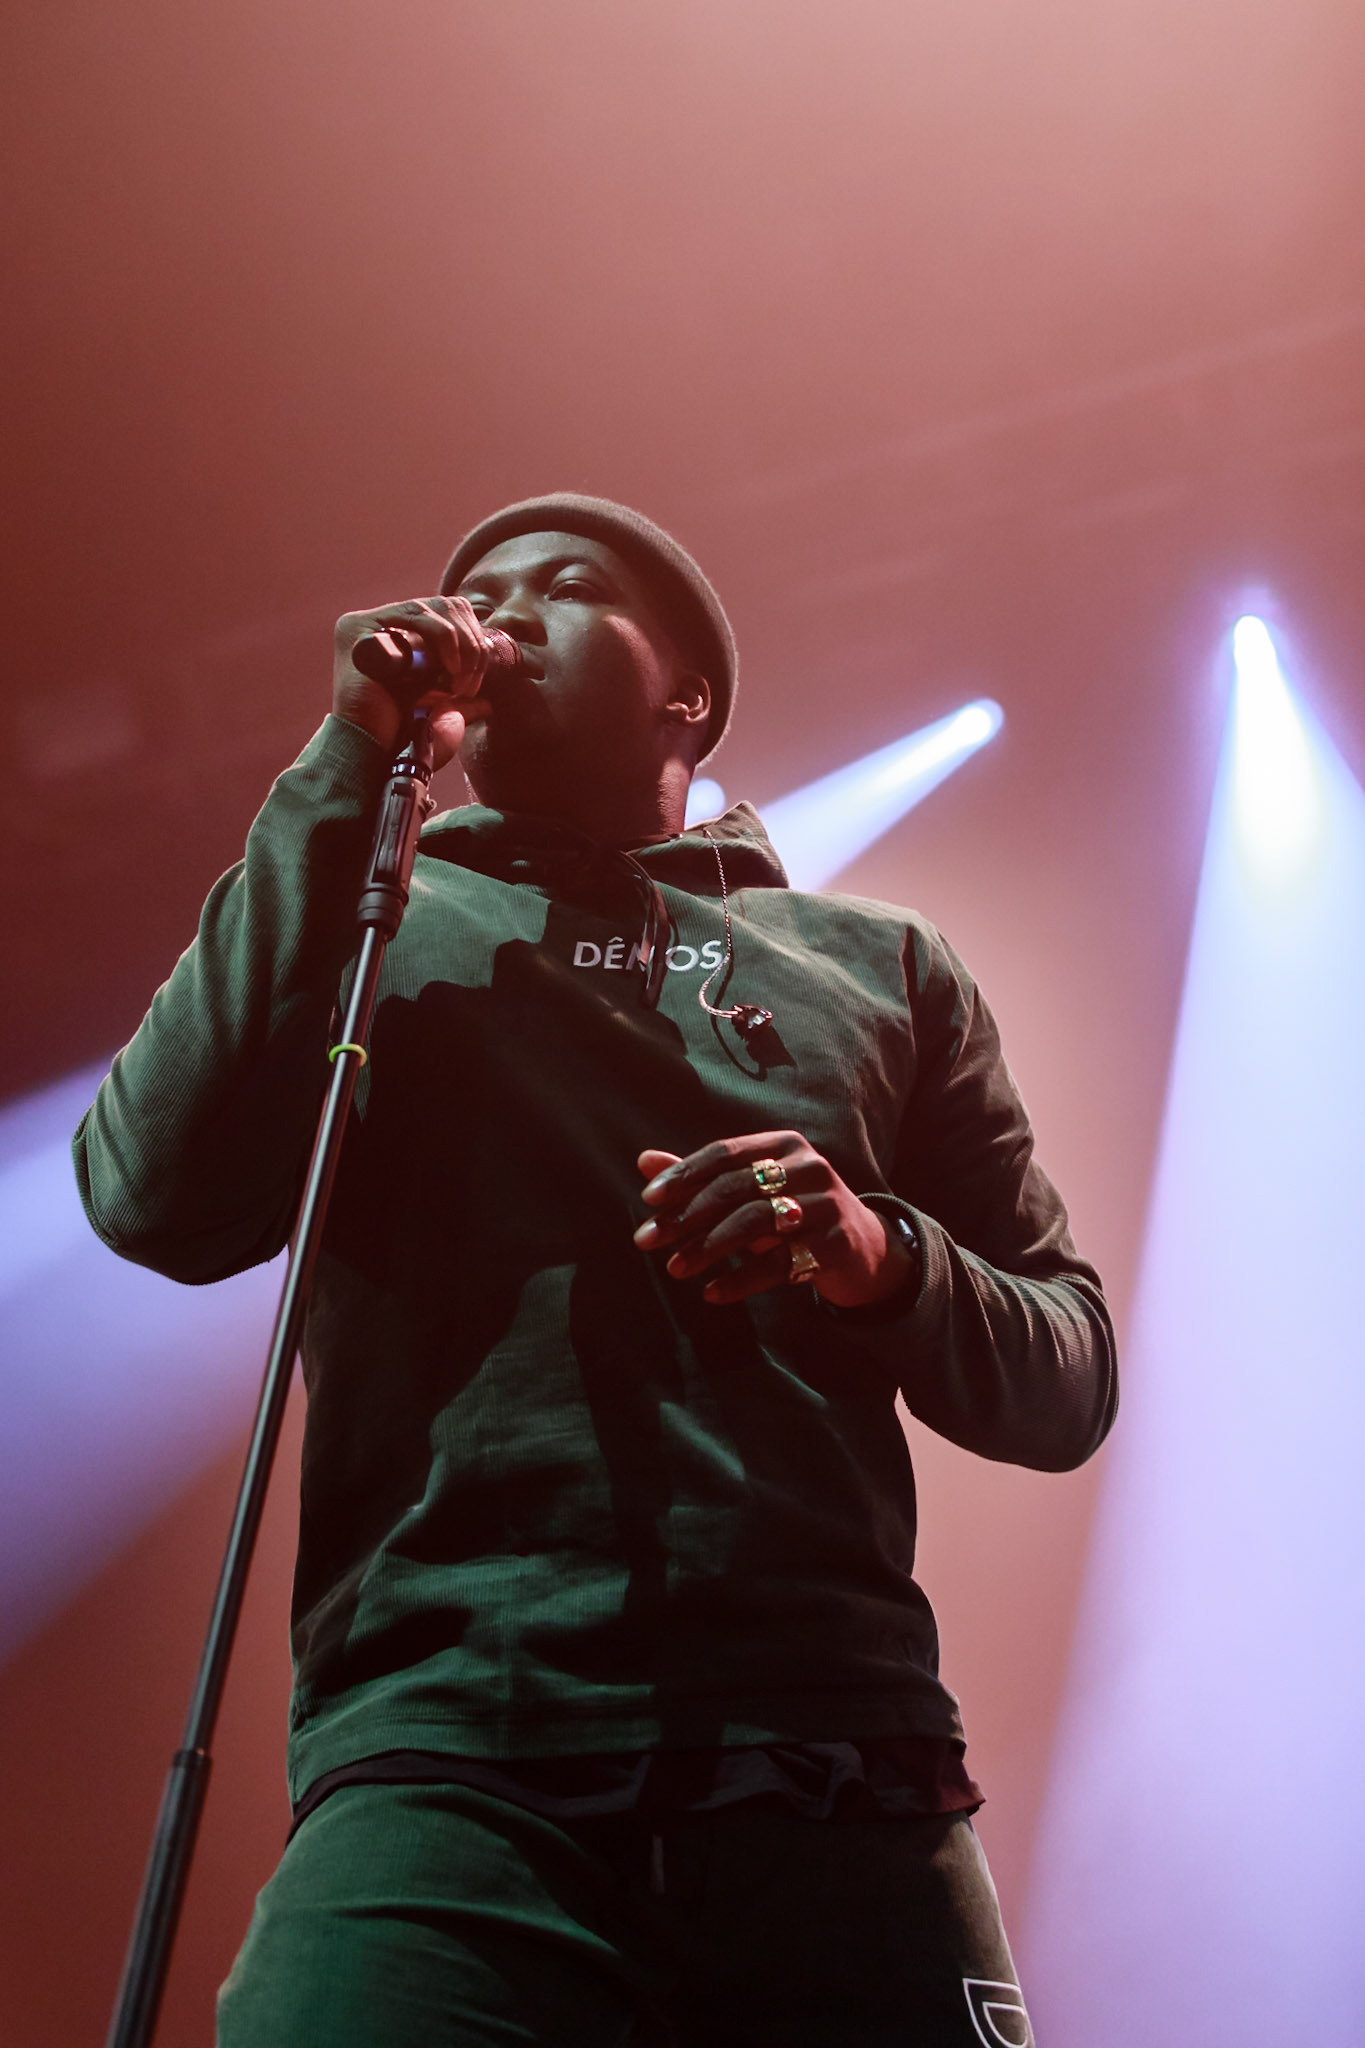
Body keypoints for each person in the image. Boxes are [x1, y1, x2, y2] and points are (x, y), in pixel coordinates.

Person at [74, 495, 1116, 2047]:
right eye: (475, 594)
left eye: (561, 588)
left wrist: (870, 1248)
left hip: (837, 1766)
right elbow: (150, 1197)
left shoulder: (879, 963)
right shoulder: (381, 922)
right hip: (451, 1759)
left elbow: (1067, 1373)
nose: (502, 616)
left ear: (684, 690)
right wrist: (344, 764)